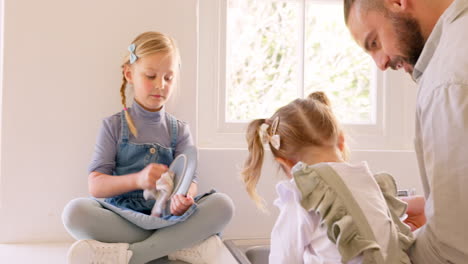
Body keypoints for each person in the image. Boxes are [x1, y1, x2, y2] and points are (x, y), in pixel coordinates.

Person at [62, 31, 234, 264]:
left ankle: (131, 256)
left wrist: (183, 198)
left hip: (168, 217)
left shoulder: (180, 130)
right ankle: (176, 246)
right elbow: (96, 185)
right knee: (74, 213)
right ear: (129, 74)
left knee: (222, 205)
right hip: (122, 218)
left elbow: (190, 180)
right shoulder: (113, 126)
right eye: (151, 76)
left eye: (168, 78)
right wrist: (138, 180)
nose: (160, 85)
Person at [344, 0, 468, 262]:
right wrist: (434, 207)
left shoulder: (445, 83)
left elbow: (455, 249)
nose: (380, 63)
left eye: (374, 42)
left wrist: (392, 250)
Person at [241, 91, 414, 263]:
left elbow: (284, 258)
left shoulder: (302, 192)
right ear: (341, 140)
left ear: (286, 163)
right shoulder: (370, 181)